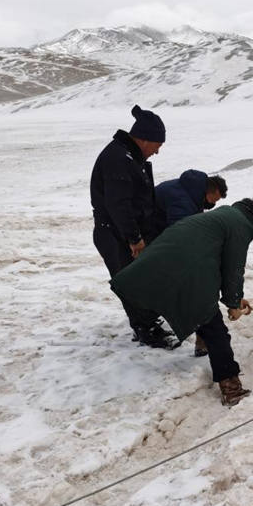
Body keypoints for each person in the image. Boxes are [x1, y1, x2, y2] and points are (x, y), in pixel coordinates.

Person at [110, 198, 253, 406]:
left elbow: (213, 259)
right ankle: (231, 388)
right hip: (187, 274)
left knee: (201, 309)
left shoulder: (217, 218)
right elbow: (233, 270)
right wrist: (232, 303)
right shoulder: (240, 225)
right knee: (215, 328)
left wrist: (235, 300)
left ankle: (202, 345)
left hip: (158, 266)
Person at [91, 104, 174, 348]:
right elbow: (119, 205)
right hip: (114, 234)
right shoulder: (119, 159)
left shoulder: (129, 157)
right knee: (130, 281)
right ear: (145, 139)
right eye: (158, 146)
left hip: (123, 232)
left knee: (141, 278)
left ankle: (148, 322)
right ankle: (145, 330)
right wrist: (134, 238)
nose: (157, 152)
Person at [150, 170, 228, 357]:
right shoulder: (183, 201)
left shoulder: (191, 193)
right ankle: (150, 324)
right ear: (208, 191)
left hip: (157, 234)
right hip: (151, 236)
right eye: (213, 199)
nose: (213, 204)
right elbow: (181, 236)